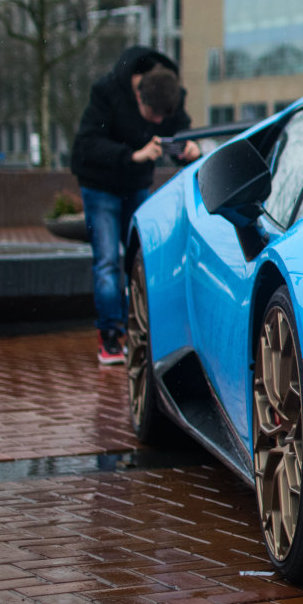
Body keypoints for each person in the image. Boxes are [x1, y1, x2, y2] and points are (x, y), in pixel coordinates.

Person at [71, 46, 198, 365]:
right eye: (152, 115)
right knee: (107, 261)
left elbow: (179, 131)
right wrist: (132, 155)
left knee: (139, 258)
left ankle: (140, 328)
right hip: (99, 184)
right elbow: (87, 144)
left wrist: (189, 147)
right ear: (138, 94)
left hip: (136, 184)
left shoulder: (170, 94)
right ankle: (110, 335)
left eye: (162, 116)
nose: (157, 122)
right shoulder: (107, 91)